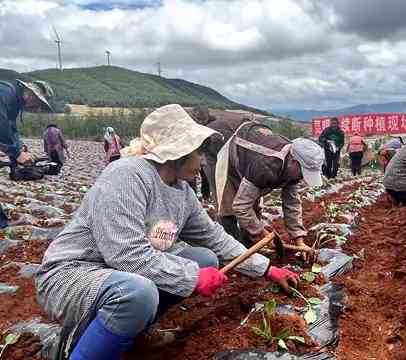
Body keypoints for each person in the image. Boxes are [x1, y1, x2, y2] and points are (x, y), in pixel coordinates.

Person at [34, 104, 300, 360]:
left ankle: (135, 330)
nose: (202, 160)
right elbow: (127, 255)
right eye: (198, 152)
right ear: (178, 152)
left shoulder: (182, 191)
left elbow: (214, 237)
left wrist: (267, 269)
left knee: (204, 258)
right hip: (74, 273)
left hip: (119, 273)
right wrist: (191, 278)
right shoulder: (127, 175)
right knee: (138, 293)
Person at [203, 118, 324, 254]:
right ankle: (230, 253)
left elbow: (292, 203)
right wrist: (263, 234)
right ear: (294, 162)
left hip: (244, 155)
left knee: (251, 208)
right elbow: (241, 206)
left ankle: (250, 248)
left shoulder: (294, 168)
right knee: (227, 207)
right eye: (303, 172)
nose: (302, 177)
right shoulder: (266, 164)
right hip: (218, 144)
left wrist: (299, 240)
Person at [0, 79, 54, 228]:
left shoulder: (15, 102)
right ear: (30, 93)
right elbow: (1, 122)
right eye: (38, 103)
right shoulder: (5, 92)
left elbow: (12, 128)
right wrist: (15, 152)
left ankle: (2, 224)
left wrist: (20, 148)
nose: (37, 108)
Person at [186, 105, 215, 200]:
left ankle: (206, 195)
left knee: (205, 173)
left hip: (206, 148)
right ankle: (192, 196)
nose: (201, 123)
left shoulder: (213, 122)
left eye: (203, 121)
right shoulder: (187, 122)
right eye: (198, 120)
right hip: (192, 148)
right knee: (190, 172)